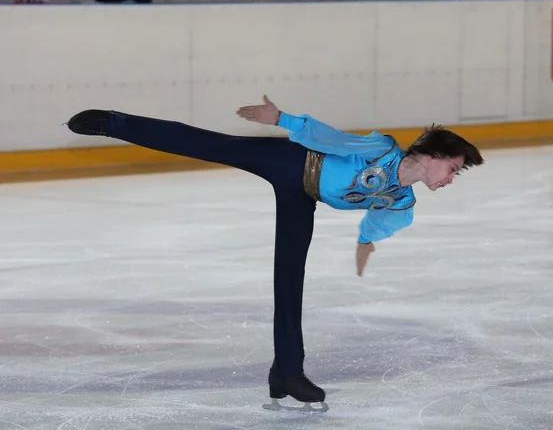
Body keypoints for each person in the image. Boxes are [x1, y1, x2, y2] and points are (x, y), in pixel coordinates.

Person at [65, 95, 484, 410]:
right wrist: (282, 120)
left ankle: (286, 373)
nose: (451, 178)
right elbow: (331, 139)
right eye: (453, 168)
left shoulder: (401, 202)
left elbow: (381, 220)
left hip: (303, 198)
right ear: (432, 155)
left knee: (289, 282)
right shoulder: (380, 150)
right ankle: (113, 122)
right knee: (209, 144)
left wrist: (365, 242)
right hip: (290, 161)